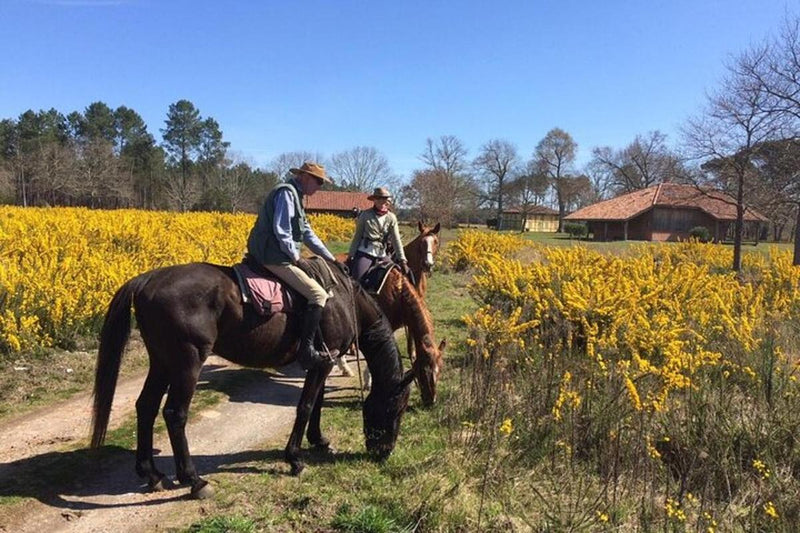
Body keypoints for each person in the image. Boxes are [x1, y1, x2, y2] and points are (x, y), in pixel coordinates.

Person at [246, 161, 338, 371]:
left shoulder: (298, 197)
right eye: (318, 181)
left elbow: (307, 233)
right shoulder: (287, 194)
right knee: (318, 295)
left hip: (279, 254)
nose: (319, 187)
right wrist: (296, 257)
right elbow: (282, 231)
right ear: (305, 177)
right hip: (272, 256)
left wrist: (330, 257)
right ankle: (306, 352)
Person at [347, 187, 408, 282]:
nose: (382, 202)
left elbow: (396, 240)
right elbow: (357, 236)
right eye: (379, 199)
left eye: (384, 199)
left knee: (396, 276)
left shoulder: (391, 218)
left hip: (382, 253)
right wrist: (351, 255)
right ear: (374, 200)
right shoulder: (365, 215)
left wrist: (402, 260)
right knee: (357, 278)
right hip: (366, 251)